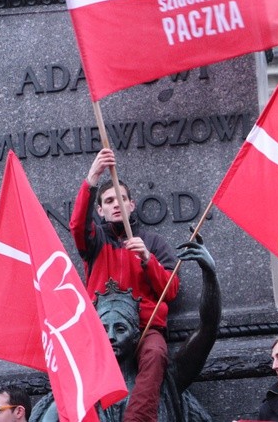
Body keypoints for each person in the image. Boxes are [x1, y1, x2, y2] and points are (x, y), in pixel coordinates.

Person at [30, 237, 221, 422]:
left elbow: (208, 328)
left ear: (136, 335)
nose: (111, 336)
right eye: (104, 329)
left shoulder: (166, 381)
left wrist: (210, 274)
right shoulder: (76, 392)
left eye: (120, 328)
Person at [69, 148, 180, 422]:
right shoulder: (95, 242)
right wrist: (92, 177)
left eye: (121, 199)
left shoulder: (153, 243)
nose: (115, 204)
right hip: (100, 328)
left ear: (132, 204)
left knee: (155, 354)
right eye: (108, 201)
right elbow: (76, 226)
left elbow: (172, 289)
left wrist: (147, 260)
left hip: (144, 329)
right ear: (100, 209)